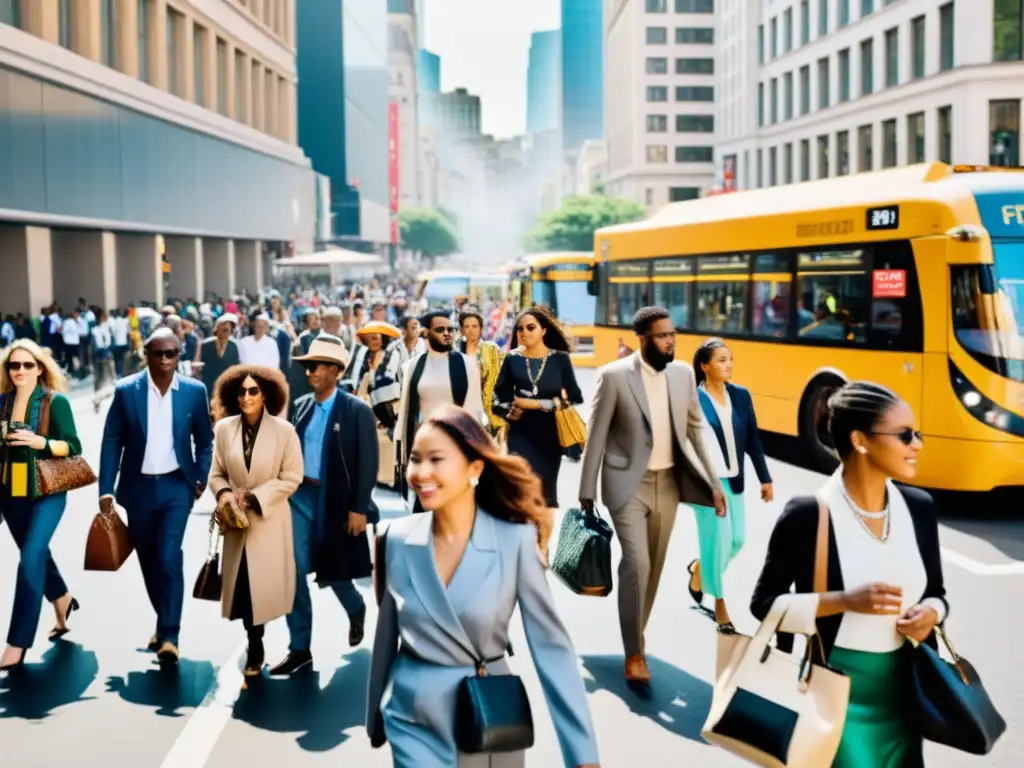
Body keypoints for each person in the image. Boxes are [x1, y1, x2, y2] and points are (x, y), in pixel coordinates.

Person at [366, 405, 600, 768]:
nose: (420, 472)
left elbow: (552, 650)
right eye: (415, 459)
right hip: (411, 719)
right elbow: (386, 636)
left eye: (436, 459)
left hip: (487, 717)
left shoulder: (516, 542)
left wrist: (582, 755)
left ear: (475, 468)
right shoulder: (393, 538)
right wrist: (375, 715)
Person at [750, 381, 946, 768]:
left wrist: (932, 615)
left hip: (905, 695)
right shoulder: (809, 514)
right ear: (861, 441)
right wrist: (843, 601)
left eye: (917, 433)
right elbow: (764, 604)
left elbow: (937, 593)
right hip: (836, 696)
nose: (917, 444)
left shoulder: (919, 508)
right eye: (905, 435)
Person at [578, 306, 725, 686]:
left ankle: (635, 631)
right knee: (638, 563)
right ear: (643, 339)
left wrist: (714, 482)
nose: (670, 341)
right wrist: (586, 492)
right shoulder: (613, 377)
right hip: (627, 484)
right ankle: (634, 652)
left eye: (672, 334)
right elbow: (595, 435)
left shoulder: (683, 375)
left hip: (670, 484)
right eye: (662, 336)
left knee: (655, 568)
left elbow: (696, 430)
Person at [98, 328, 215, 664]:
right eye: (158, 353)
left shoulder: (194, 391)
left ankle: (170, 635)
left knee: (167, 555)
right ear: (146, 355)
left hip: (177, 487)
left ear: (179, 355)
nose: (165, 360)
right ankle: (163, 620)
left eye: (172, 353)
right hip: (137, 490)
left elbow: (205, 441)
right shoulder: (126, 391)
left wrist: (200, 476)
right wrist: (106, 489)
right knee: (149, 561)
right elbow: (112, 441)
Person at [271, 334, 379, 675]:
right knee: (292, 570)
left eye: (316, 366)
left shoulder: (357, 410)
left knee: (335, 572)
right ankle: (300, 647)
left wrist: (359, 508)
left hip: (337, 501)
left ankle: (356, 608)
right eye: (307, 367)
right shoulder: (301, 405)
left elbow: (368, 462)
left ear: (334, 370)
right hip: (300, 497)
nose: (309, 373)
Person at [208, 365, 303, 677]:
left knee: (261, 587)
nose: (246, 397)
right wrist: (223, 494)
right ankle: (255, 642)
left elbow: (292, 477)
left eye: (253, 391)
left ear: (266, 396)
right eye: (241, 392)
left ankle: (259, 641)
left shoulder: (285, 432)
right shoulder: (223, 429)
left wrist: (255, 496)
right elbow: (216, 473)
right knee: (244, 587)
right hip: (236, 523)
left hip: (269, 519)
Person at [0, 340, 83, 671]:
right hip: (10, 493)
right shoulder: (2, 403)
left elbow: (74, 445)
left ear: (39, 368)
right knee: (36, 556)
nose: (20, 371)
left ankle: (17, 642)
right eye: (13, 366)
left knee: (31, 555)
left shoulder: (54, 402)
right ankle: (62, 599)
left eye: (26, 365)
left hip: (48, 490)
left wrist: (42, 442)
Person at [687, 338, 773, 633]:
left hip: (734, 479)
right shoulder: (692, 400)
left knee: (737, 540)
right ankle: (720, 603)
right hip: (706, 484)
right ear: (705, 366)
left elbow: (753, 440)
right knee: (720, 540)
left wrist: (765, 478)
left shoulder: (741, 396)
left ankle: (699, 570)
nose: (728, 365)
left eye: (730, 360)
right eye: (722, 360)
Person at [492, 307, 582, 510]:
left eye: (530, 327)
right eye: (520, 329)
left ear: (543, 330)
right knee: (520, 488)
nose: (524, 333)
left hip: (550, 434)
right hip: (520, 433)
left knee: (545, 493)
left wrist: (536, 404)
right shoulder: (512, 359)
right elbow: (499, 396)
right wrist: (508, 411)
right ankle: (525, 537)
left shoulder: (559, 359)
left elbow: (574, 396)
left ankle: (541, 540)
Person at [393, 310, 485, 502]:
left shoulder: (467, 364)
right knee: (424, 505)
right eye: (440, 329)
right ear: (426, 333)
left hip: (456, 445)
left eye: (450, 329)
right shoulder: (411, 366)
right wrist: (402, 454)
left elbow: (475, 410)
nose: (447, 333)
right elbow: (405, 411)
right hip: (423, 447)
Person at [457, 309, 504, 438]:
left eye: (474, 326)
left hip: (488, 409)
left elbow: (500, 381)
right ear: (461, 330)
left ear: (481, 328)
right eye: (466, 326)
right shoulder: (455, 355)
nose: (470, 330)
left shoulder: (491, 350)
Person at [199, 314, 241, 404]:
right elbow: (199, 365)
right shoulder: (206, 345)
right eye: (223, 326)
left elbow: (235, 368)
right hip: (209, 388)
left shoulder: (233, 346)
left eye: (228, 327)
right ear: (217, 328)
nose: (226, 329)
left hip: (226, 388)